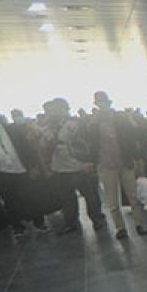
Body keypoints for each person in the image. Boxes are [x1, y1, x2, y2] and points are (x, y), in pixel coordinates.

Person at [0, 101, 48, 236]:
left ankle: (39, 222)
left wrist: (33, 166)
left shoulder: (13, 129)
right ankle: (18, 226)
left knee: (31, 196)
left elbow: (26, 148)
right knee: (9, 200)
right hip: (1, 172)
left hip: (22, 167)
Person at [41, 98, 105, 235]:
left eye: (57, 109)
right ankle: (71, 222)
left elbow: (87, 142)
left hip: (79, 166)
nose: (54, 112)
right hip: (59, 167)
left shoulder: (75, 123)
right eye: (52, 109)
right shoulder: (47, 127)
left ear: (65, 108)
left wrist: (90, 162)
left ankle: (97, 218)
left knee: (90, 195)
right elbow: (43, 146)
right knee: (67, 198)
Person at [91, 91, 147, 240]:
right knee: (112, 200)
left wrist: (137, 158)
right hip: (106, 164)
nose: (102, 105)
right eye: (99, 102)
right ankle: (120, 228)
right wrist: (94, 122)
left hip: (125, 161)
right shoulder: (93, 122)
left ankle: (139, 224)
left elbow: (131, 137)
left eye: (103, 101)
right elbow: (90, 140)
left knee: (133, 196)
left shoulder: (120, 117)